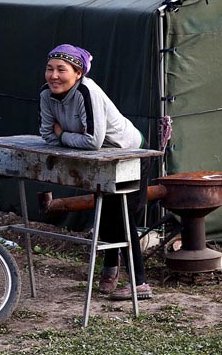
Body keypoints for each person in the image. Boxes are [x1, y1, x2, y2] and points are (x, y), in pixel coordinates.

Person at [39, 44, 153, 301]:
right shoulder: (46, 94)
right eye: (49, 69)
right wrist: (65, 136)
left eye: (61, 70)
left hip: (129, 153)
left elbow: (91, 140)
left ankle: (140, 284)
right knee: (105, 215)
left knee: (123, 218)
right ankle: (111, 267)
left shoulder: (87, 92)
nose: (54, 75)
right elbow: (46, 135)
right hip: (98, 160)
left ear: (78, 73)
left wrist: (62, 134)